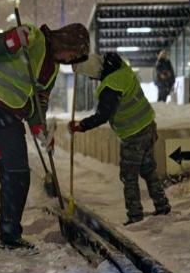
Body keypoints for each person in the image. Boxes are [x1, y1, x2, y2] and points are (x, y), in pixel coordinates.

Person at [0, 23, 89, 249]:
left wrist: (40, 129)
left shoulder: (53, 69)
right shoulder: (32, 37)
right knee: (17, 175)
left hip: (9, 117)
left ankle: (8, 233)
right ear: (66, 41)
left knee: (12, 175)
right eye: (72, 52)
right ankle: (9, 236)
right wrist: (11, 40)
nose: (69, 58)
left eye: (74, 57)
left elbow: (39, 101)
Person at [70, 52, 171, 225]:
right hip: (148, 125)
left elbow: (102, 115)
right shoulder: (122, 69)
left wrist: (81, 125)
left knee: (129, 176)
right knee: (148, 169)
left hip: (133, 134)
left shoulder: (110, 86)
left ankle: (135, 215)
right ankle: (162, 205)